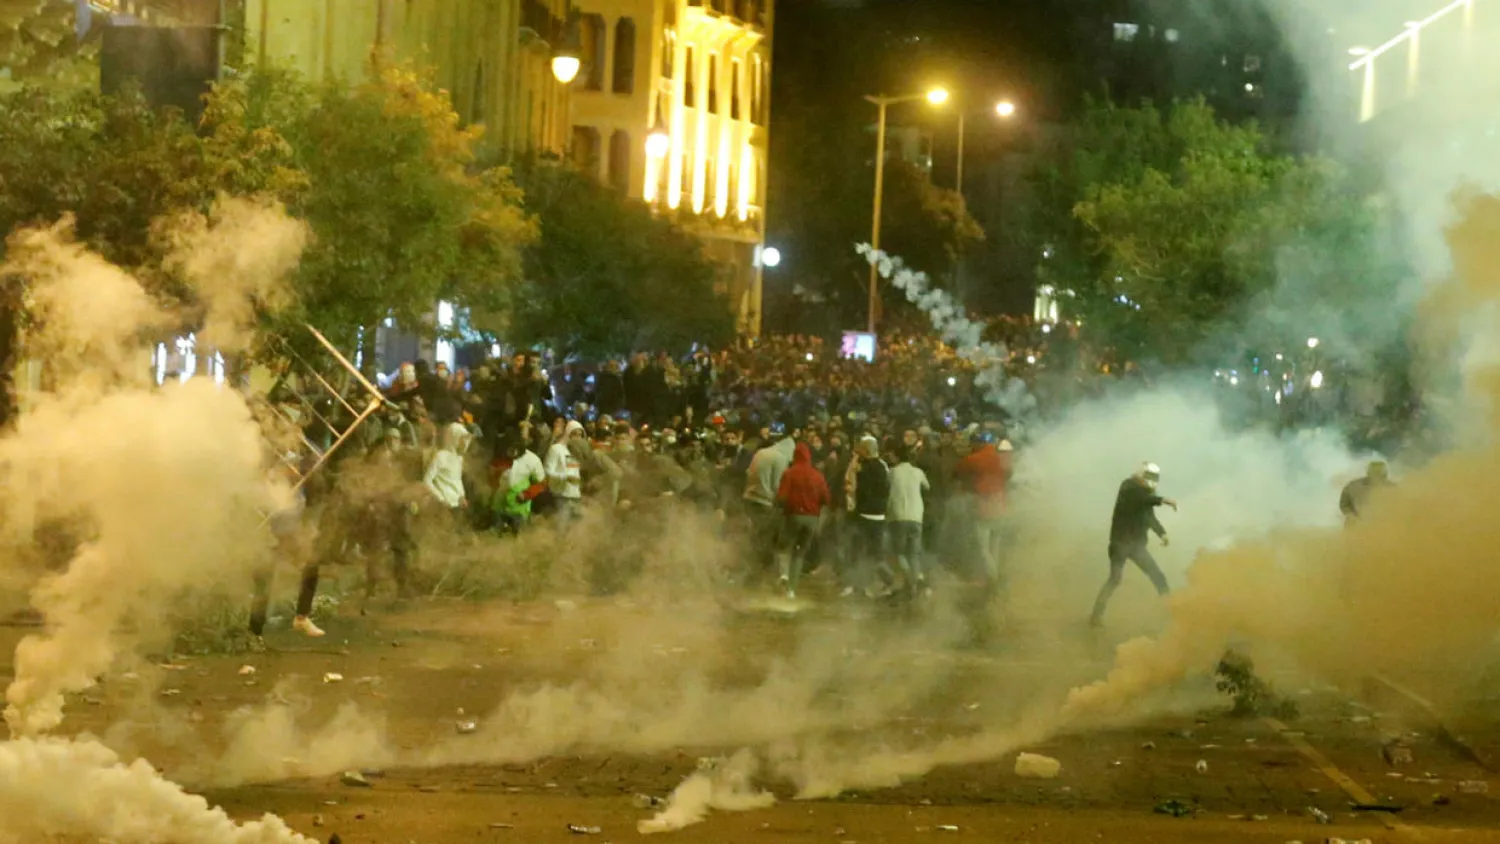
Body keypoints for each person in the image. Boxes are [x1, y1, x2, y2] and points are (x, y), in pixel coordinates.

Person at [1089, 462, 1178, 627]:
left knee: (1157, 576)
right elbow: (1142, 499)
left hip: (1136, 546)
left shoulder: (1146, 495)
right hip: (1120, 544)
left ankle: (1171, 612)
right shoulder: (1128, 487)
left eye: (1154, 477)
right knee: (1115, 579)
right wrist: (1164, 500)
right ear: (1142, 474)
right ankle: (1095, 616)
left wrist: (1162, 533)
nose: (1152, 480)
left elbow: (1149, 517)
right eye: (1149, 476)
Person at [775, 441, 830, 599]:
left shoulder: (789, 473)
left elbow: (782, 496)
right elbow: (826, 498)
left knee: (784, 547)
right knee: (800, 554)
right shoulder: (818, 475)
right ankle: (792, 590)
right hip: (812, 518)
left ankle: (784, 575)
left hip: (792, 516)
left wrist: (780, 507)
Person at [742, 424, 796, 582]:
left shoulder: (761, 452)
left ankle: (750, 567)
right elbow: (777, 485)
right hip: (764, 501)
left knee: (754, 534)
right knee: (765, 538)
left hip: (749, 497)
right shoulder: (780, 458)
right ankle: (758, 572)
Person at [843, 435, 892, 597]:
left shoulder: (863, 467)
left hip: (864, 514)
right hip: (879, 515)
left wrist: (855, 460)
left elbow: (853, 486)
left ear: (866, 450)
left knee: (858, 552)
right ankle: (877, 582)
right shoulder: (883, 466)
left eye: (861, 448)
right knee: (874, 553)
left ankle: (860, 585)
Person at [887, 445, 931, 597]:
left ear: (896, 457)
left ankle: (910, 580)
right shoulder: (918, 472)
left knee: (898, 552)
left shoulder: (892, 472)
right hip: (917, 515)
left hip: (898, 516)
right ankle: (917, 580)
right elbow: (927, 487)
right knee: (914, 553)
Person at [546, 419, 586, 520]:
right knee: (561, 530)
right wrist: (565, 478)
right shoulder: (556, 449)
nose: (577, 437)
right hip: (561, 496)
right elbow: (547, 471)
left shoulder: (579, 453)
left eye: (580, 435)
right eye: (574, 434)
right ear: (568, 433)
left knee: (576, 531)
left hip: (576, 496)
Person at [1339, 460, 1392, 526]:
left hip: (1383, 525)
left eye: (1379, 475)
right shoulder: (1353, 486)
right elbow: (1344, 504)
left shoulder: (1393, 488)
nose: (1377, 479)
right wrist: (1352, 516)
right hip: (1356, 525)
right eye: (1375, 474)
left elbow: (1400, 510)